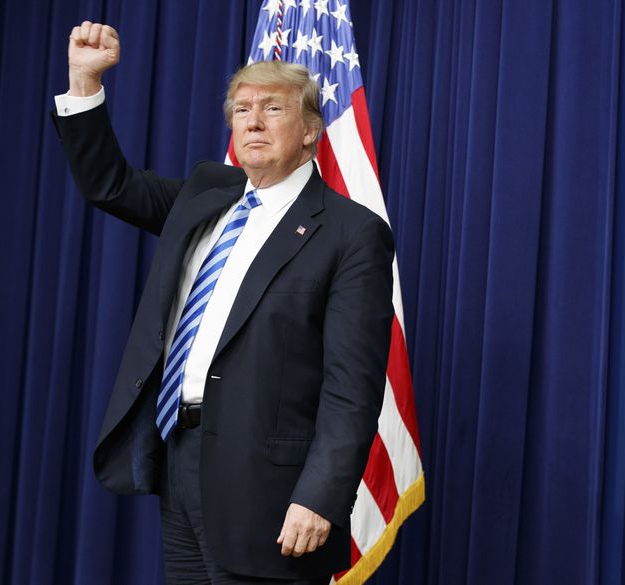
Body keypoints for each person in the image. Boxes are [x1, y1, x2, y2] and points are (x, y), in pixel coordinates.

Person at [51, 21, 394, 585]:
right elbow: (108, 185)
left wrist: (321, 496)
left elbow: (351, 387)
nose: (253, 121)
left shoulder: (351, 233)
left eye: (273, 109)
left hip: (275, 488)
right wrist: (84, 83)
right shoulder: (205, 198)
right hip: (182, 460)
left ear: (311, 130)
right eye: (241, 109)